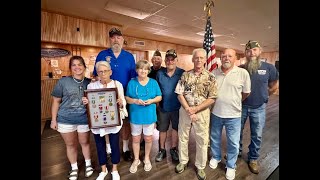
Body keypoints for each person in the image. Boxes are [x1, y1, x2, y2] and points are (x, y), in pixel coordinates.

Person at [93, 27, 137, 162]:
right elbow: (96, 76)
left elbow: (133, 78)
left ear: (122, 40)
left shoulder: (129, 56)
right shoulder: (102, 54)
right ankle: (109, 149)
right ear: (109, 39)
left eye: (118, 37)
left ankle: (125, 148)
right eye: (113, 37)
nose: (116, 40)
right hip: (106, 96)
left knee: (124, 123)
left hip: (124, 95)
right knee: (106, 122)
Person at [174, 48, 218, 180]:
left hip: (202, 113)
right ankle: (183, 161)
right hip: (185, 110)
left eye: (201, 58)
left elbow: (213, 98)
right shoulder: (185, 75)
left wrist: (196, 109)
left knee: (202, 140)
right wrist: (188, 109)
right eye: (196, 57)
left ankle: (200, 166)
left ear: (205, 60)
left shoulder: (211, 77)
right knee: (183, 137)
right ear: (192, 59)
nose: (199, 60)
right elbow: (179, 93)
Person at [208, 48, 251, 180]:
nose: (226, 58)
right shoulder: (214, 73)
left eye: (229, 56)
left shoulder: (243, 73)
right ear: (220, 58)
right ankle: (216, 157)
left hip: (234, 115)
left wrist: (234, 101)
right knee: (214, 138)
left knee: (233, 142)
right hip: (216, 113)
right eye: (224, 56)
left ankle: (231, 165)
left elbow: (246, 93)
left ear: (235, 58)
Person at [50, 56, 94, 180]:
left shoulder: (90, 83)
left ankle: (88, 164)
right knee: (70, 145)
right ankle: (74, 167)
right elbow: (56, 101)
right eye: (74, 65)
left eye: (80, 64)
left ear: (84, 67)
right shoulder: (63, 82)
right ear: (70, 68)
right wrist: (54, 120)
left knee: (85, 143)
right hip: (65, 119)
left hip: (84, 119)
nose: (77, 67)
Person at [239, 40, 279, 174]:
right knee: (236, 132)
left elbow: (274, 84)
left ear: (260, 51)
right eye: (249, 51)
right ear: (245, 53)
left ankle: (253, 158)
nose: (252, 53)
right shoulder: (241, 69)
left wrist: (266, 95)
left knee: (257, 135)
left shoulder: (269, 67)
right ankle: (237, 152)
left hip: (259, 107)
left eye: (254, 50)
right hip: (241, 106)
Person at [82, 61, 127, 180]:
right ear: (97, 73)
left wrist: (121, 103)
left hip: (113, 120)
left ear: (110, 72)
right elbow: (90, 103)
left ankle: (115, 169)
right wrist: (86, 103)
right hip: (98, 122)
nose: (103, 74)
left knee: (115, 145)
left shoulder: (117, 85)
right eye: (100, 71)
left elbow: (123, 101)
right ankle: (103, 169)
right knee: (99, 145)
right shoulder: (92, 86)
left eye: (105, 71)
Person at [125, 60, 162, 173]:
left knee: (148, 138)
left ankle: (146, 158)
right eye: (141, 68)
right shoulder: (132, 83)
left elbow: (159, 97)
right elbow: (127, 98)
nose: (143, 71)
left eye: (146, 69)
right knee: (136, 138)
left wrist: (151, 100)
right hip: (136, 115)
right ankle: (136, 160)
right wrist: (135, 101)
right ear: (137, 70)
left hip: (149, 115)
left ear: (148, 71)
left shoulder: (153, 83)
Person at [155, 49, 185, 162]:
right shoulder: (159, 73)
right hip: (163, 108)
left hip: (178, 108)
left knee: (175, 129)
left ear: (176, 60)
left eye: (172, 59)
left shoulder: (182, 73)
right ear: (165, 60)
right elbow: (156, 90)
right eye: (168, 59)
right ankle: (161, 150)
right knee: (162, 130)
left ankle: (173, 149)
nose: (170, 61)